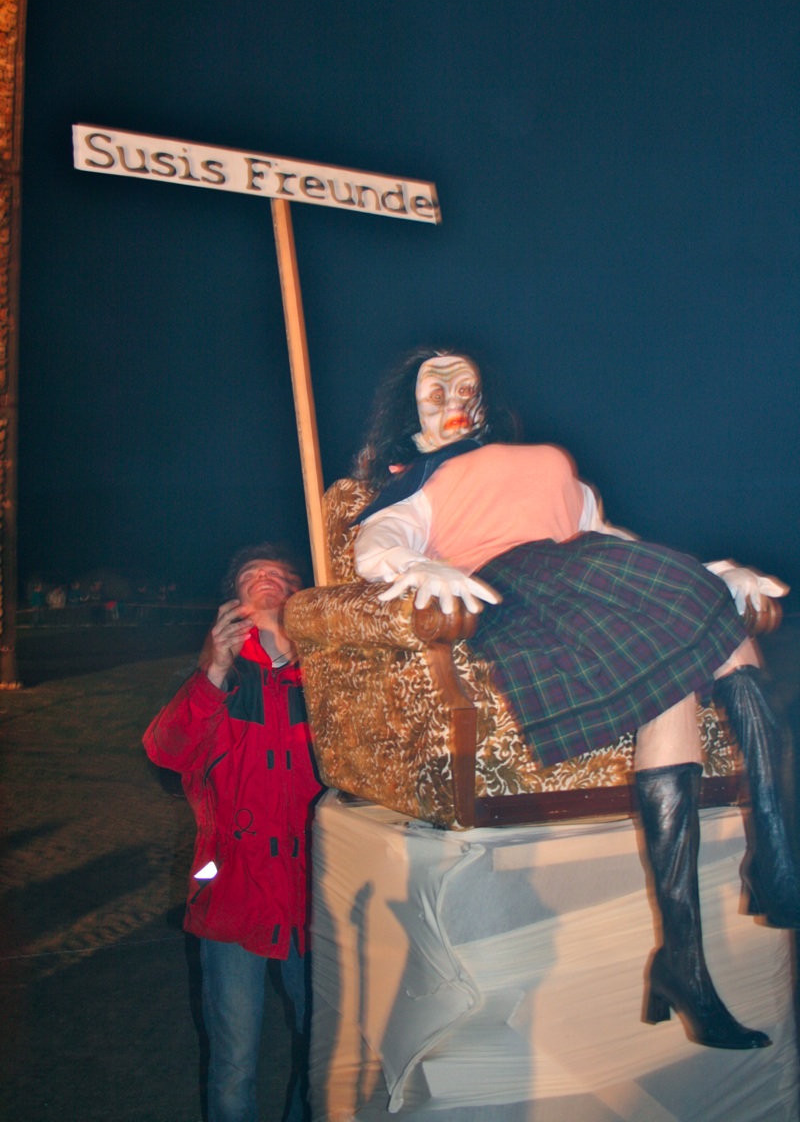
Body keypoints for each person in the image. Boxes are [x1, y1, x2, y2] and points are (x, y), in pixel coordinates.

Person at [352, 345, 798, 1051]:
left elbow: (612, 539)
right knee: (699, 616)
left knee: (675, 682)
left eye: (466, 386)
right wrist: (418, 565)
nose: (453, 397)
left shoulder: (542, 462)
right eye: (435, 388)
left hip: (592, 571)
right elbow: (377, 545)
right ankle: (774, 856)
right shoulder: (416, 484)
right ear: (409, 409)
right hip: (523, 590)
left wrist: (711, 574)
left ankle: (685, 960)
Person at [143, 544, 321, 1122]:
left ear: (300, 595)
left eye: (280, 574)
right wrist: (213, 671)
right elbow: (166, 752)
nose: (266, 578)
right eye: (252, 574)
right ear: (233, 599)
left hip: (314, 895)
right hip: (231, 893)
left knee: (320, 1056)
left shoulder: (326, 677)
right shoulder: (215, 679)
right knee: (234, 1064)